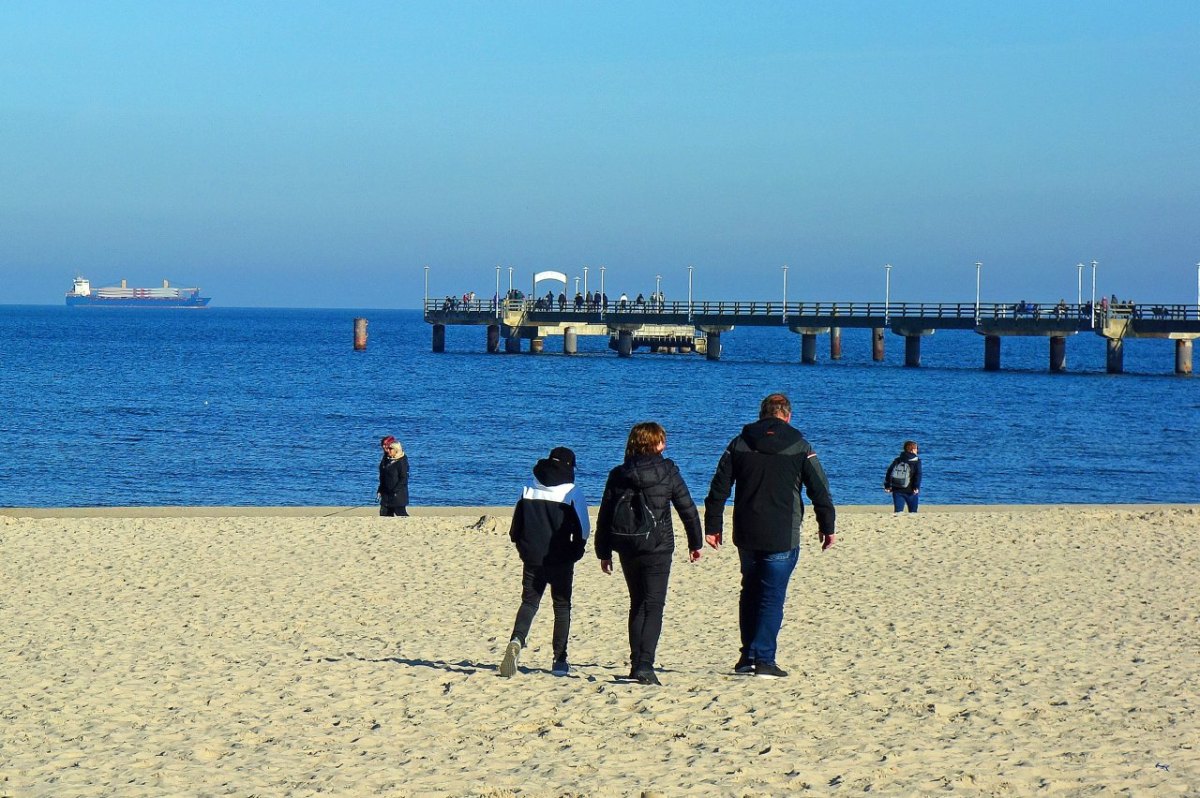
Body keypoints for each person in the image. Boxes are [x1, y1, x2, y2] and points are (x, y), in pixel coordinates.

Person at [703, 393, 835, 679]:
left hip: (747, 530)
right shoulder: (800, 445)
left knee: (750, 591)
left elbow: (718, 489)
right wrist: (827, 526)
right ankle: (763, 659)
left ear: (762, 414)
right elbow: (820, 490)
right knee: (771, 596)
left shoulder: (739, 443)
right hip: (782, 533)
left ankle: (748, 656)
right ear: (787, 416)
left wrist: (712, 525)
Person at [595, 422, 702, 686]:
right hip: (658, 546)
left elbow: (605, 515)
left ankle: (637, 664)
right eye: (662, 440)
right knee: (653, 605)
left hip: (627, 545)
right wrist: (695, 542)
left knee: (638, 602)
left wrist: (603, 551)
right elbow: (687, 508)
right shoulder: (668, 470)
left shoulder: (619, 473)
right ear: (656, 444)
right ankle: (644, 664)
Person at [500, 447, 590, 678]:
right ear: (570, 467)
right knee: (561, 607)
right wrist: (576, 553)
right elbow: (583, 530)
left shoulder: (529, 488)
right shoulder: (572, 492)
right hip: (561, 559)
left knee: (529, 602)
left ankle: (516, 640)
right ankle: (559, 660)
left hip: (532, 557)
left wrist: (523, 549)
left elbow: (515, 529)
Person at [884, 441, 922, 513]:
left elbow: (889, 472)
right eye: (916, 449)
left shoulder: (898, 459)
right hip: (911, 490)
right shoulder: (917, 461)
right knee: (913, 512)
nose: (917, 450)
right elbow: (918, 475)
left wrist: (887, 486)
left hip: (897, 489)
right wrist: (916, 487)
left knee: (898, 512)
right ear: (913, 450)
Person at [377, 436, 410, 516]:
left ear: (396, 450)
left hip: (397, 495)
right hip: (386, 495)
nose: (386, 449)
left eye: (390, 448)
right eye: (383, 445)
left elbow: (404, 479)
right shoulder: (385, 458)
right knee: (384, 514)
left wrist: (395, 491)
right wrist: (380, 489)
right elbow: (382, 476)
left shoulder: (402, 461)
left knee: (401, 513)